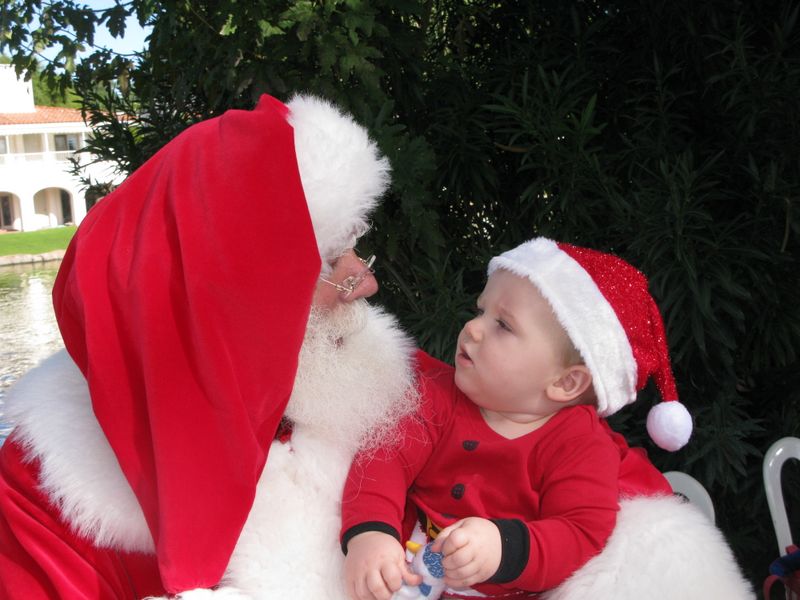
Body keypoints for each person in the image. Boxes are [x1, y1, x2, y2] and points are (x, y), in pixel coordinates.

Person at [0, 93, 421, 599]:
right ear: (240, 297)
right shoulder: (41, 487)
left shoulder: (372, 376)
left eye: (357, 250)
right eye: (334, 263)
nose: (367, 283)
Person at [340, 238, 731, 600]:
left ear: (566, 382)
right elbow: (384, 459)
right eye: (481, 311)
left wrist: (502, 548)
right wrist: (371, 533)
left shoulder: (579, 444)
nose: (473, 329)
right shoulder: (437, 396)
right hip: (406, 566)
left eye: (503, 325)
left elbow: (580, 532)